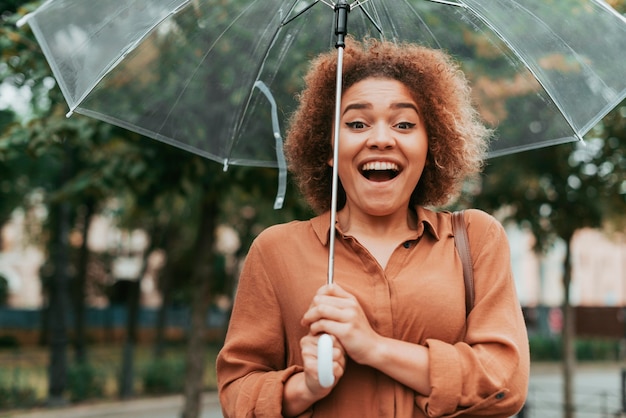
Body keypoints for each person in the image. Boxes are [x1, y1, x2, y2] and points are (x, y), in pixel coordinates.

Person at [217, 37, 529, 417]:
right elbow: (237, 394)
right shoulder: (275, 251)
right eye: (357, 123)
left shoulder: (476, 239)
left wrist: (372, 347)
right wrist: (305, 387)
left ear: (431, 145)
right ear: (329, 147)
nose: (380, 139)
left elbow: (505, 384)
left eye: (403, 123)